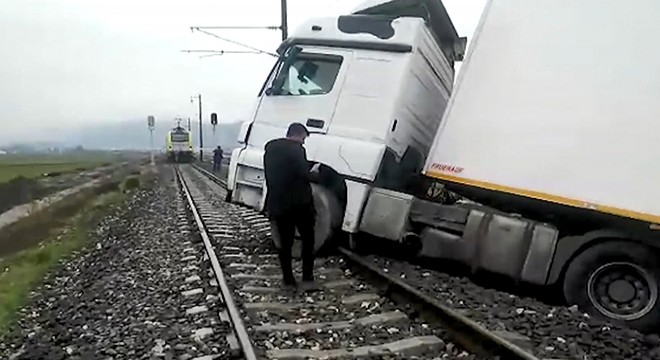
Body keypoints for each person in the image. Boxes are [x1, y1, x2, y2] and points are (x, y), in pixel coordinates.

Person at [263, 123, 319, 291]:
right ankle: (307, 279)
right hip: (300, 205)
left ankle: (288, 280)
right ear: (297, 134)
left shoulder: (269, 151)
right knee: (308, 240)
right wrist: (315, 175)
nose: (303, 143)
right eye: (303, 139)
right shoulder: (297, 150)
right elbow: (303, 174)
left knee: (284, 243)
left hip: (278, 204)